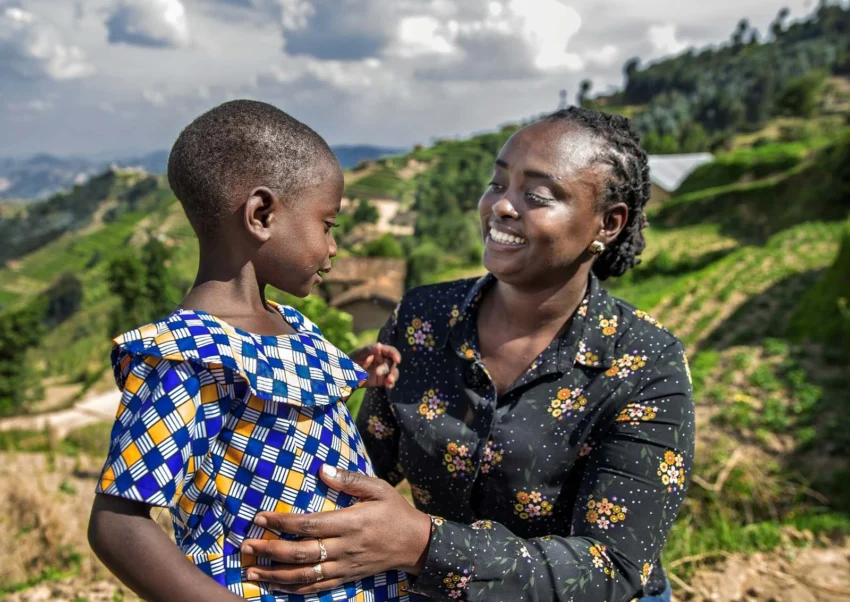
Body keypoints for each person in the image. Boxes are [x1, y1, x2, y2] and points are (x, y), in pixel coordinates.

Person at [236, 107, 694, 601]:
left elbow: (613, 567)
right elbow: (361, 467)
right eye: (498, 185)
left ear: (607, 223)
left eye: (535, 196)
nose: (501, 206)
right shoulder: (422, 319)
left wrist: (423, 544)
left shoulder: (646, 363)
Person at [87, 100, 417, 602]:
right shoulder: (186, 357)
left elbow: (280, 409)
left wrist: (351, 368)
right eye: (327, 225)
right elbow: (117, 523)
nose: (333, 248)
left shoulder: (288, 325)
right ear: (261, 215)